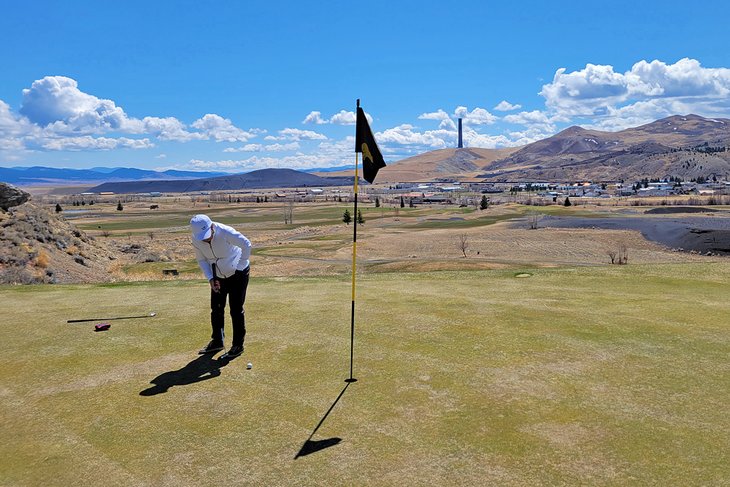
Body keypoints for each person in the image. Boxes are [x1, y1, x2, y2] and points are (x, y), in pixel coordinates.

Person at [190, 214, 252, 359]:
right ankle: (217, 341)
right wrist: (211, 278)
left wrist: (240, 268)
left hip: (238, 272)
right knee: (216, 308)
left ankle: (238, 345)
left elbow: (246, 244)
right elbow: (202, 260)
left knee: (236, 309)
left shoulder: (225, 232)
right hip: (217, 275)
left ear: (212, 226)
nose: (206, 239)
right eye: (202, 237)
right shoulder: (196, 239)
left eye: (207, 235)